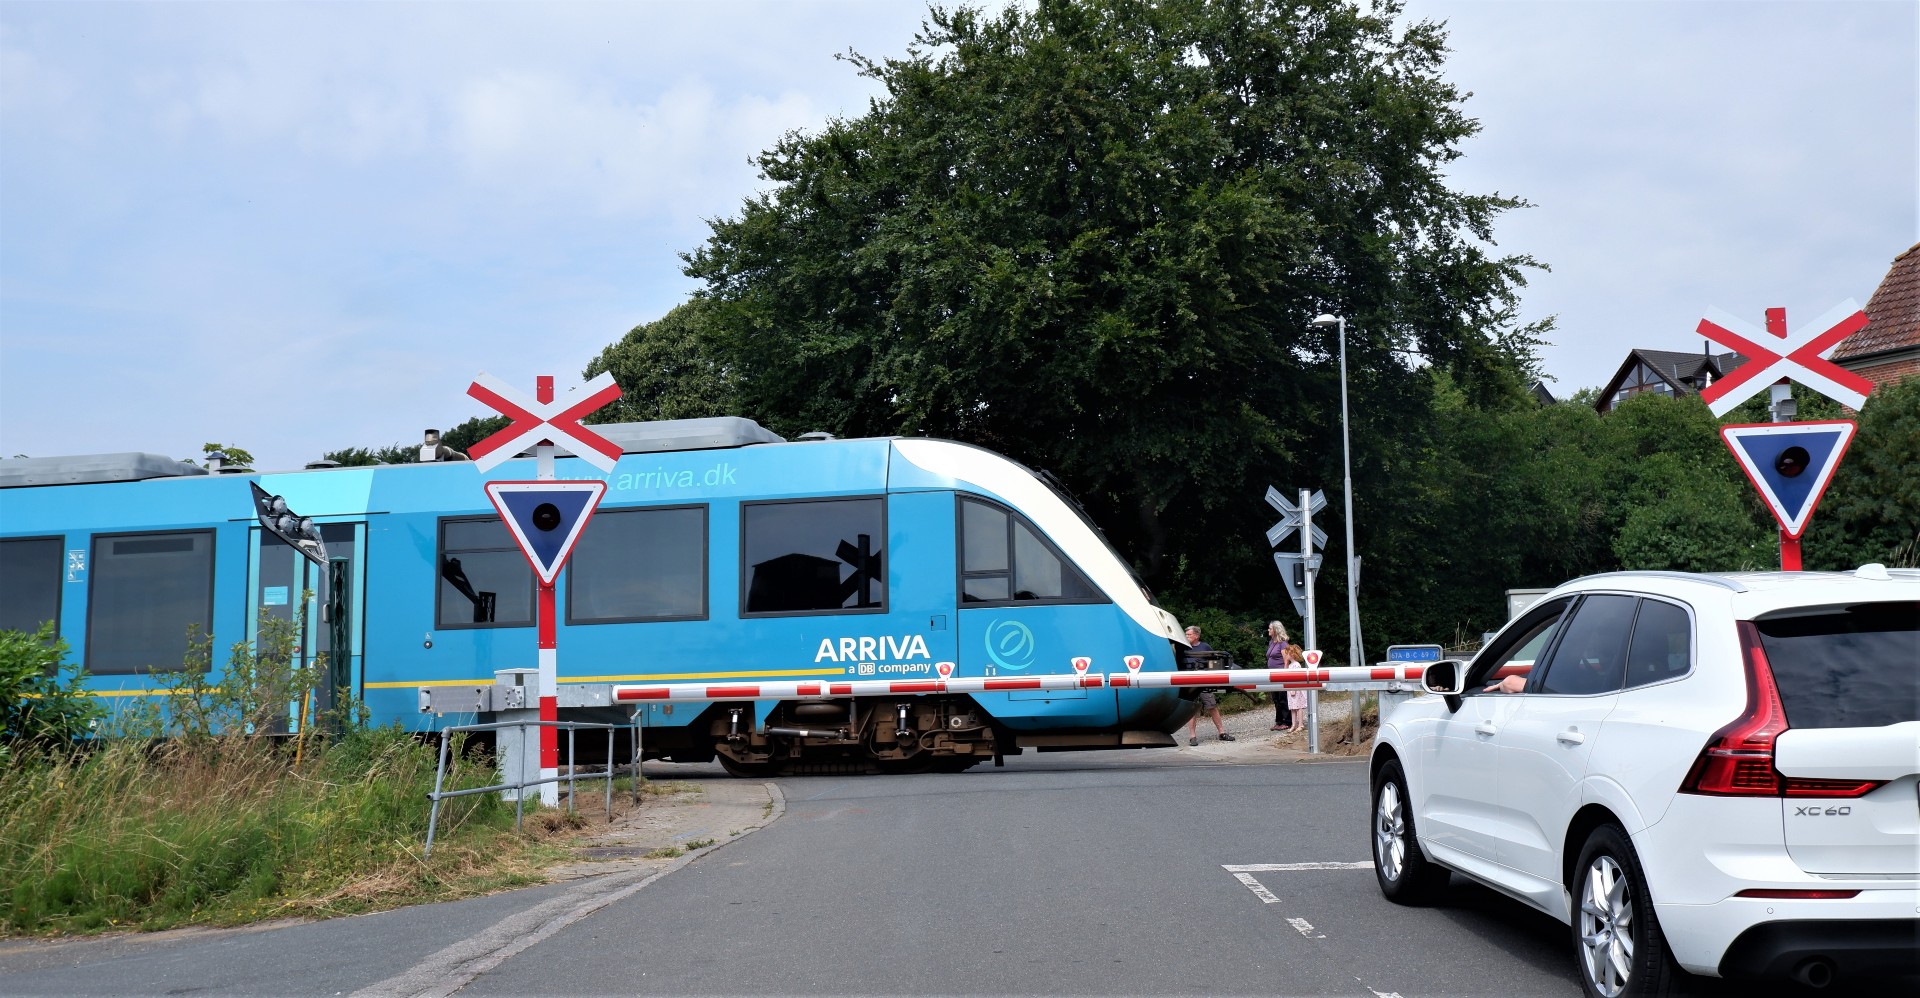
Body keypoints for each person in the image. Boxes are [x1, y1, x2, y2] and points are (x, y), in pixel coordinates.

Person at [1183, 625, 1234, 746]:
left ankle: (1222, 732)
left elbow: (1214, 662)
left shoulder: (1205, 647)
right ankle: (1192, 736)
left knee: (1212, 706)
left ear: (1196, 635)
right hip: (1189, 682)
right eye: (1186, 635)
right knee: (1191, 710)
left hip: (1204, 682)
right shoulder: (1183, 647)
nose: (1187, 637)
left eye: (1189, 634)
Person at [1266, 621, 1293, 731]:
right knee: (1276, 698)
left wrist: (1285, 674)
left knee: (1283, 698)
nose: (1269, 630)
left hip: (1281, 674)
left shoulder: (1283, 643)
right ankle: (1279, 721)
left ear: (1276, 630)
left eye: (1270, 628)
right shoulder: (1272, 642)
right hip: (1272, 675)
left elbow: (1286, 660)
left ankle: (1287, 721)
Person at [1283, 643, 1308, 733]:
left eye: (1287, 653)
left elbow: (1296, 678)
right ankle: (1294, 724)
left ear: (1292, 654)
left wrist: (1294, 688)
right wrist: (1285, 663)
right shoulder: (1290, 665)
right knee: (1293, 707)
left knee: (1298, 706)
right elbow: (1285, 674)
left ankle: (1300, 724)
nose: (1286, 655)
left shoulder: (1296, 665)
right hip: (1291, 688)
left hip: (1296, 688)